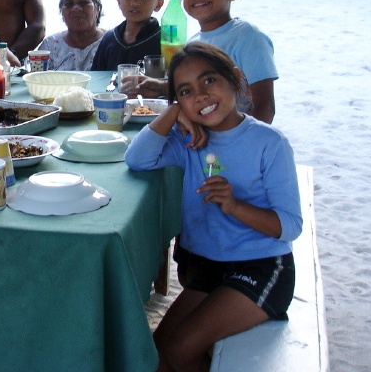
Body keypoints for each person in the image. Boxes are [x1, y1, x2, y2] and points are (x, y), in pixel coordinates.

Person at [125, 42, 301, 372]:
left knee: (179, 350)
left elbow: (290, 225)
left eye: (209, 81)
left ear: (235, 79)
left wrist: (235, 206)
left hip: (261, 268)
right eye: (186, 92)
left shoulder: (269, 143)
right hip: (210, 269)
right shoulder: (189, 141)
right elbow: (136, 159)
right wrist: (173, 114)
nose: (201, 96)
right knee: (156, 354)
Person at [138, 0, 277, 123]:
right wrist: (160, 87)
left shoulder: (247, 37)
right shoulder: (194, 43)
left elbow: (265, 107)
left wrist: (244, 144)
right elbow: (195, 92)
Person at [91, 0, 163, 71]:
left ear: (158, 4)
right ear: (118, 1)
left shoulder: (164, 41)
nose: (134, 2)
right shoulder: (109, 39)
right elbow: (96, 78)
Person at [38, 0, 105, 71]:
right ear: (61, 12)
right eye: (69, 4)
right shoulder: (50, 46)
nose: (76, 9)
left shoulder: (111, 42)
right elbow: (37, 80)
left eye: (84, 2)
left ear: (97, 9)